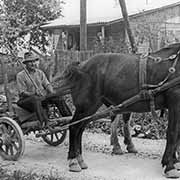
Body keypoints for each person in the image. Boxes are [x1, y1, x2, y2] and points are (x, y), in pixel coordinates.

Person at [16, 52, 71, 127]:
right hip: (25, 101)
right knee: (35, 99)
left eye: (34, 61)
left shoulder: (40, 73)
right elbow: (22, 92)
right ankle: (45, 121)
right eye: (30, 62)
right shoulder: (20, 75)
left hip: (40, 98)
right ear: (25, 63)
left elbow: (47, 84)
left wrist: (52, 92)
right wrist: (34, 93)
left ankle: (68, 118)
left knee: (57, 97)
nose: (33, 64)